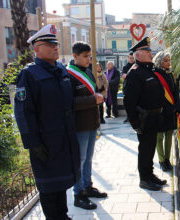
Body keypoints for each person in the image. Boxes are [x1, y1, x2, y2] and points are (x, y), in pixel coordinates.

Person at [14, 24, 80, 220]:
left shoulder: (60, 69)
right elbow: (23, 113)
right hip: (45, 141)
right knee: (49, 186)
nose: (55, 48)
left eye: (56, 44)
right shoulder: (29, 74)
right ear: (36, 49)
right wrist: (33, 144)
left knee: (61, 183)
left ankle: (63, 215)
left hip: (64, 138)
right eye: (49, 45)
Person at [67, 41, 107, 210]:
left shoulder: (89, 73)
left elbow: (93, 92)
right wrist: (93, 99)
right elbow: (69, 102)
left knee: (88, 159)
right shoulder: (68, 75)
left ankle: (87, 186)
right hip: (79, 125)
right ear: (74, 56)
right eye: (84, 57)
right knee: (80, 160)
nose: (88, 60)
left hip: (91, 123)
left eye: (89, 56)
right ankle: (78, 194)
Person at [123, 37, 167, 191]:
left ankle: (150, 174)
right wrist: (135, 123)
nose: (150, 53)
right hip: (144, 119)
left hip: (154, 117)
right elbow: (129, 101)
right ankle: (144, 179)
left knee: (151, 148)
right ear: (137, 54)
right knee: (145, 149)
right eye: (146, 51)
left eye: (150, 50)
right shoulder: (135, 73)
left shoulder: (149, 70)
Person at [153, 51, 180, 172]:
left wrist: (177, 107)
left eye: (169, 60)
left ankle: (167, 159)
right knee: (159, 136)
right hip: (160, 111)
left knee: (169, 135)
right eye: (165, 60)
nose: (168, 63)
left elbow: (176, 91)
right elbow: (156, 94)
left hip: (171, 110)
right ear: (159, 61)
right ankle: (161, 160)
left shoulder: (171, 74)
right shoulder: (154, 74)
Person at [122, 52, 135, 123]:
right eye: (130, 58)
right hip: (127, 88)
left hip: (135, 88)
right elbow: (124, 76)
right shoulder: (125, 67)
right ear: (128, 58)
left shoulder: (137, 66)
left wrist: (128, 76)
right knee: (127, 104)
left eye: (132, 58)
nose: (131, 59)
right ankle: (128, 117)